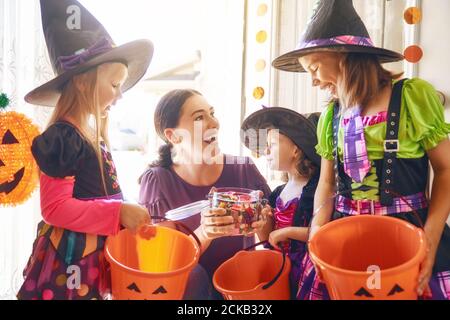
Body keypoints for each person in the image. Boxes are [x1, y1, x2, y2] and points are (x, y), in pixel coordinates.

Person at [273, 0, 450, 300]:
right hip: (345, 240)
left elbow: (446, 169)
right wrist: (317, 228)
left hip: (408, 238)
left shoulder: (412, 97)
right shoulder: (331, 117)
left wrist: (430, 241)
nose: (313, 81)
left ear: (343, 56)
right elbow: (327, 184)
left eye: (314, 68)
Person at [17, 0, 154, 300]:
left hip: (93, 255)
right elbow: (55, 209)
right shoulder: (62, 139)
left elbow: (103, 192)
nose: (120, 94)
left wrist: (129, 211)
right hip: (69, 262)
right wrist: (118, 211)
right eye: (115, 84)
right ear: (81, 82)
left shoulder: (91, 134)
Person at [138, 89, 271, 299]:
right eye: (199, 117)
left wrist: (264, 221)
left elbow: (271, 243)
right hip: (186, 292)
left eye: (212, 113)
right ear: (173, 136)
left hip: (238, 289)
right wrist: (205, 233)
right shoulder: (157, 181)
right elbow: (164, 264)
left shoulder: (242, 168)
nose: (214, 123)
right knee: (195, 274)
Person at [241, 107, 322, 298]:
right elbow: (268, 237)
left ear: (296, 149)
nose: (266, 151)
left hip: (305, 267)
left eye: (272, 144)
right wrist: (259, 216)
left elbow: (324, 231)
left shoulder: (316, 189)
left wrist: (288, 232)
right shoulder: (278, 192)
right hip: (279, 267)